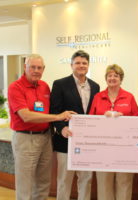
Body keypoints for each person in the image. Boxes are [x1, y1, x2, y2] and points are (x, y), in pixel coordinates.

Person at [8, 54, 75, 200]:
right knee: (25, 183)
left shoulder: (44, 86)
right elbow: (26, 116)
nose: (36, 70)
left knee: (44, 181)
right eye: (32, 67)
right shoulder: (15, 87)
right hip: (26, 138)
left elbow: (51, 108)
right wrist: (59, 117)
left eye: (39, 68)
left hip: (45, 137)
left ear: (43, 69)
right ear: (25, 67)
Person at [50, 50, 100, 200]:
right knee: (64, 180)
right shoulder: (60, 84)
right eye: (77, 63)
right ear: (71, 65)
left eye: (84, 63)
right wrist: (61, 128)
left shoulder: (95, 86)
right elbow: (54, 111)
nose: (81, 66)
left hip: (87, 143)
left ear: (88, 65)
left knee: (86, 179)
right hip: (66, 140)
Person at [89, 64, 138, 200]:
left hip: (125, 149)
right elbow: (90, 121)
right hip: (103, 149)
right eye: (109, 75)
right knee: (104, 184)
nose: (112, 78)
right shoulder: (98, 97)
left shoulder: (129, 97)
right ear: (106, 78)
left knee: (124, 183)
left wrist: (123, 120)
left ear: (121, 79)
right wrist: (102, 119)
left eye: (115, 76)